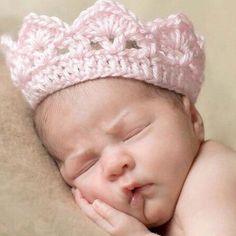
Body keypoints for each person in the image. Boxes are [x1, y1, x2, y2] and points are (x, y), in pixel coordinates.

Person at [1, 0, 236, 235]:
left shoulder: (212, 174)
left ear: (193, 119)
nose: (114, 165)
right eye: (86, 165)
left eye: (133, 132)